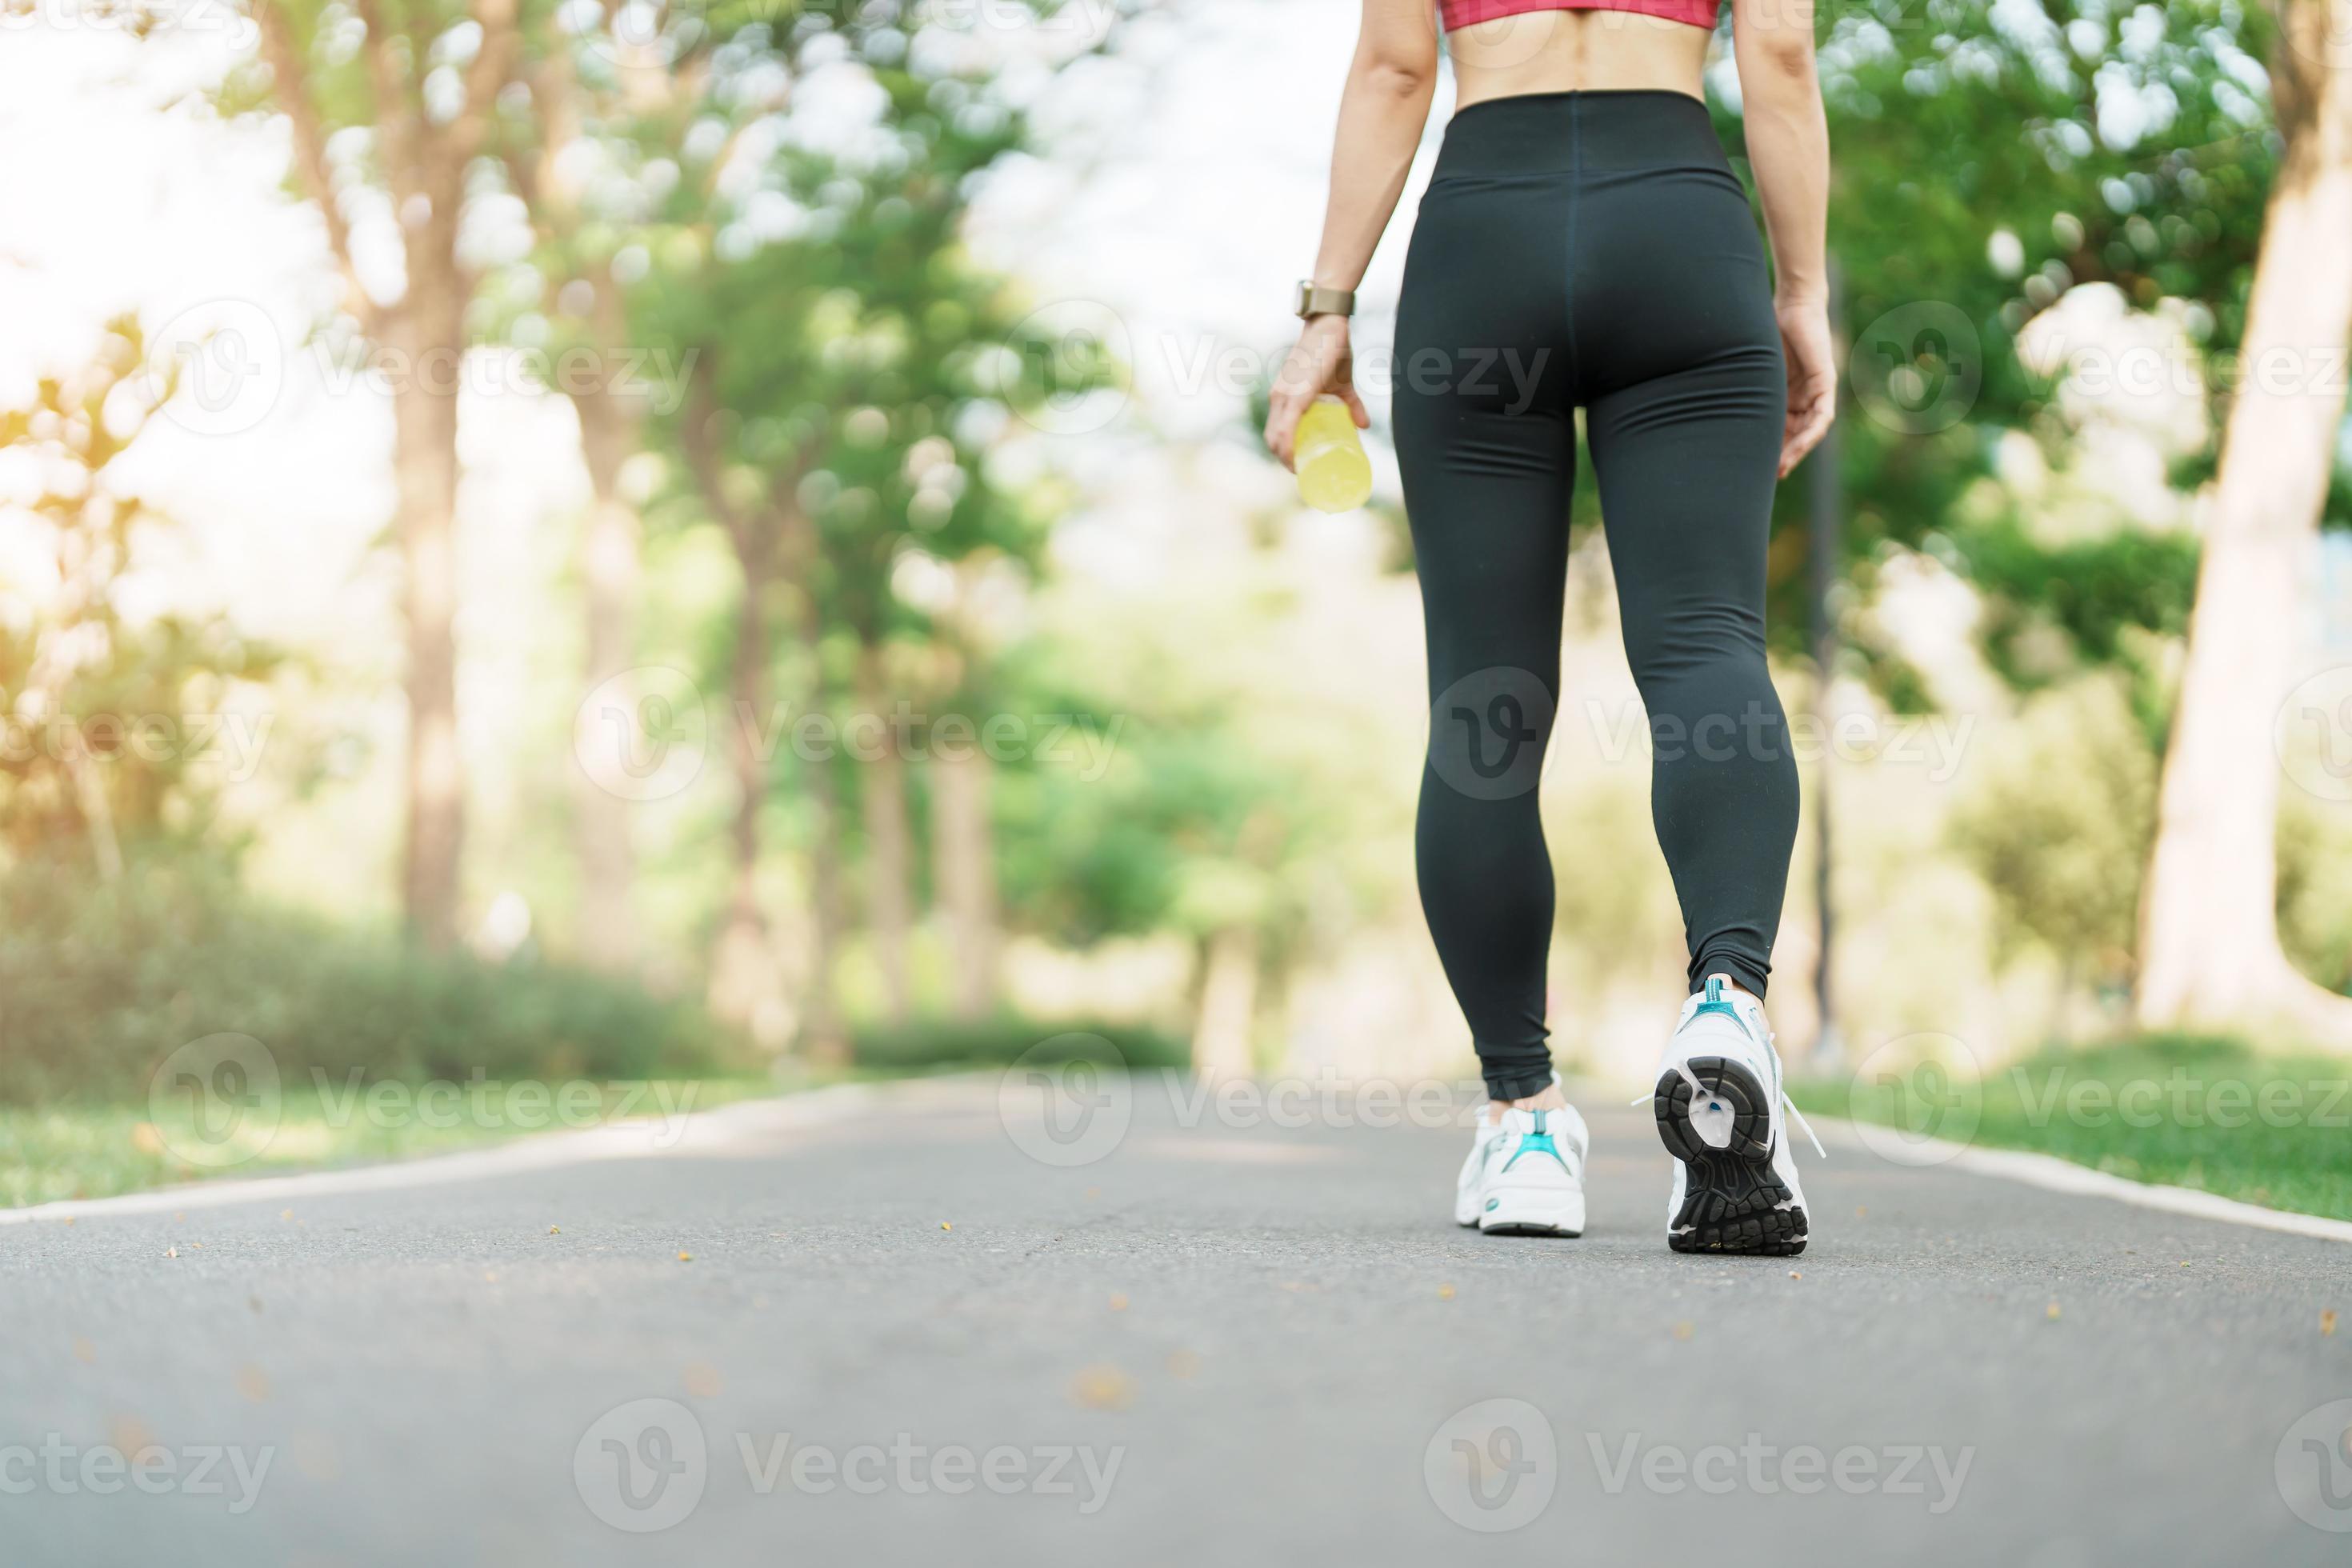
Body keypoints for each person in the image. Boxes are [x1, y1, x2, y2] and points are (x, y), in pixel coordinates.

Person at [1263, 0, 1834, 1253]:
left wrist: (1326, 310)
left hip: (1486, 242)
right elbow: (1781, 61)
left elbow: (1399, 66)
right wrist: (1802, 293)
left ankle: (1523, 1119)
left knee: (1485, 699)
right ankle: (1729, 1000)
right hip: (1682, 232)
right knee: (1705, 647)